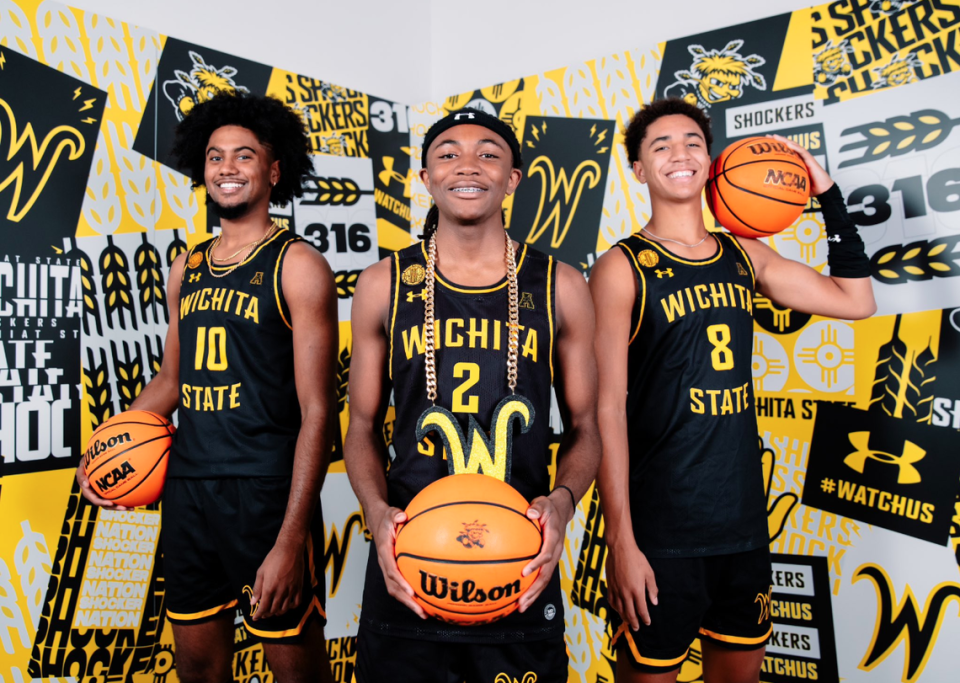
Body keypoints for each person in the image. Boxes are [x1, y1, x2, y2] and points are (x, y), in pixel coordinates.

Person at [589, 98, 875, 683]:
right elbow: (605, 410)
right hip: (661, 530)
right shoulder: (622, 267)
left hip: (742, 522)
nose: (680, 153)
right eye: (660, 145)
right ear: (639, 169)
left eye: (693, 141)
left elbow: (857, 301)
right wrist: (620, 539)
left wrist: (826, 196)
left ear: (711, 158)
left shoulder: (744, 253)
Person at [76, 92, 338, 683]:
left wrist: (291, 539)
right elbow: (171, 380)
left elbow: (319, 410)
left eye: (244, 155)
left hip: (267, 493)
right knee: (196, 665)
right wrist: (102, 447)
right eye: (216, 156)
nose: (227, 167)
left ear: (274, 171)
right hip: (190, 488)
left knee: (294, 668)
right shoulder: (187, 265)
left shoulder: (296, 263)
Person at [344, 108, 600, 683]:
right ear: (425, 178)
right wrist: (377, 513)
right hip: (409, 556)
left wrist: (562, 501)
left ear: (512, 179)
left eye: (489, 153)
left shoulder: (559, 282)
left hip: (521, 558)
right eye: (447, 153)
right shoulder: (382, 282)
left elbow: (585, 425)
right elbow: (361, 425)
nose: (467, 165)